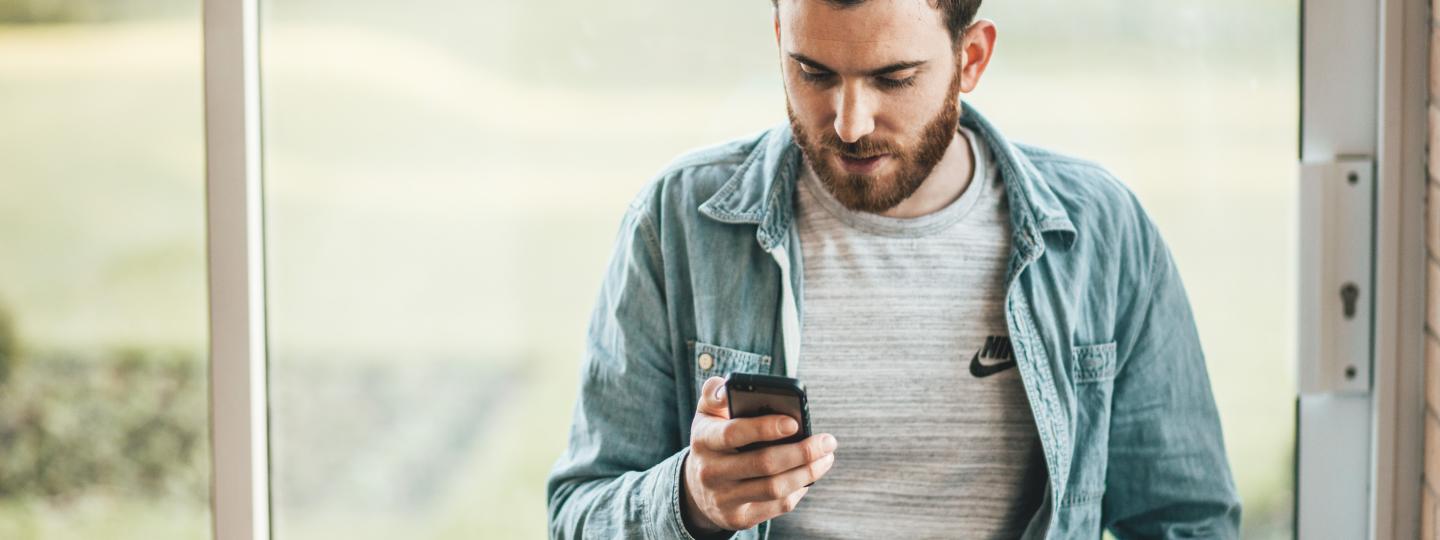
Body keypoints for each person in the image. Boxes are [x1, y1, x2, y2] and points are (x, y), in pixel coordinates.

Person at [546, 0, 1242, 538]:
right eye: (813, 72)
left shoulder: (1101, 234)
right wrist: (692, 501)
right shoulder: (679, 221)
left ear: (971, 57)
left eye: (892, 77)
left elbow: (1186, 519)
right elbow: (578, 515)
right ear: (778, 36)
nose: (849, 122)